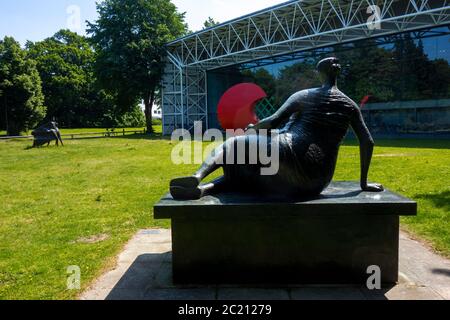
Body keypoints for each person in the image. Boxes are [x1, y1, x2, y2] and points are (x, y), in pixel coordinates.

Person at [170, 57, 384, 200]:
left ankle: (197, 177)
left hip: (290, 155)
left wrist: (252, 130)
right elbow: (368, 141)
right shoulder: (350, 105)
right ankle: (202, 190)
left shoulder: (305, 95)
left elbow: (273, 121)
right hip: (316, 181)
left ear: (319, 73)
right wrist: (363, 183)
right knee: (243, 170)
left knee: (235, 144)